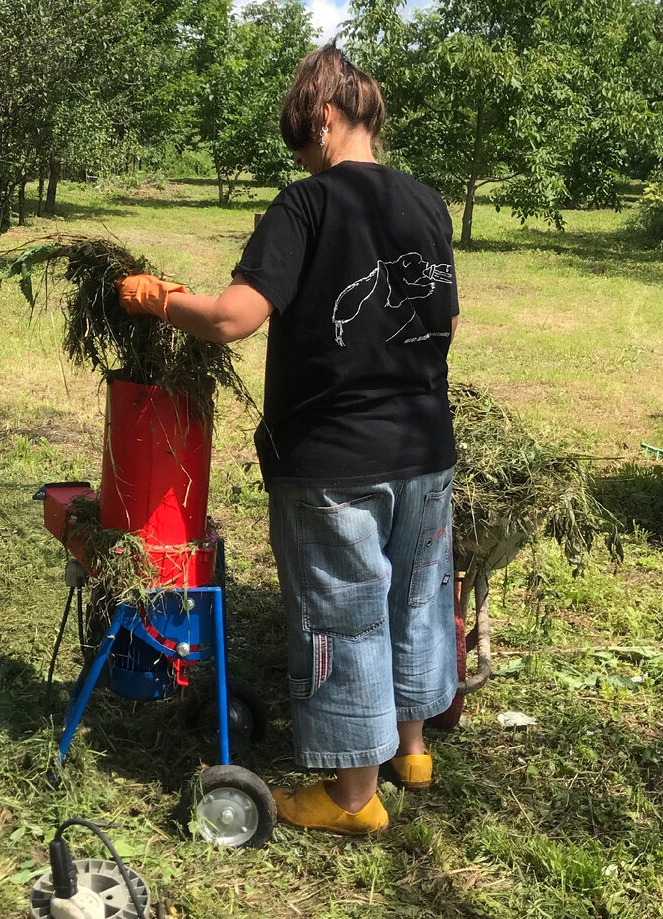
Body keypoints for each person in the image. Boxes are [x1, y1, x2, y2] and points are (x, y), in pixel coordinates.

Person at [118, 44, 459, 836]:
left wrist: (160, 300)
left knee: (346, 614)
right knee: (414, 595)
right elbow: (446, 320)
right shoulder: (427, 204)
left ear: (329, 119)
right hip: (425, 444)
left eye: (303, 144)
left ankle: (352, 798)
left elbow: (234, 318)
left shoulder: (305, 206)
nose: (303, 160)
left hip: (335, 460)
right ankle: (413, 751)